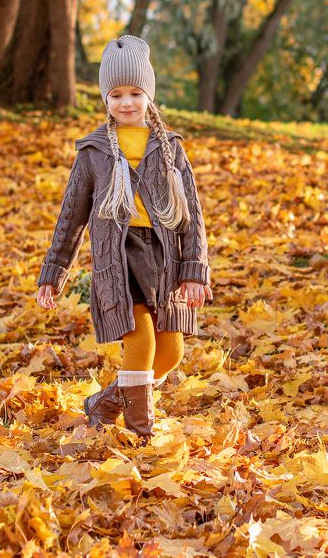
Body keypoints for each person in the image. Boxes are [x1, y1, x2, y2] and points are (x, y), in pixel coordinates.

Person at [36, 34, 212, 439]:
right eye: (117, 94)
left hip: (163, 258)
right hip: (118, 259)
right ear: (106, 100)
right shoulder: (93, 152)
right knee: (141, 340)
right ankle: (141, 433)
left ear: (149, 94)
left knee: (171, 351)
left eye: (135, 92)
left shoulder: (169, 149)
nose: (127, 102)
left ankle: (107, 402)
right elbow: (71, 217)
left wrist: (194, 270)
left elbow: (193, 216)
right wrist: (53, 273)